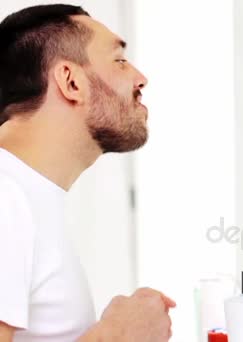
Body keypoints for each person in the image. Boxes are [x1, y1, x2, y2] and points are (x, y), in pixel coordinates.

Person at [0, 4, 175, 342]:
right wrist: (117, 335)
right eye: (119, 61)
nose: (141, 78)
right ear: (71, 81)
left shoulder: (20, 195)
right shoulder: (5, 196)